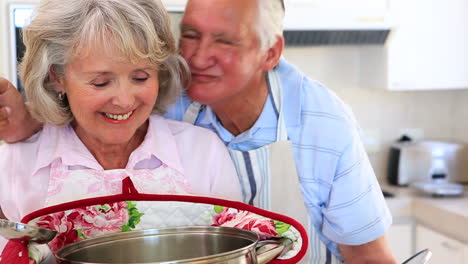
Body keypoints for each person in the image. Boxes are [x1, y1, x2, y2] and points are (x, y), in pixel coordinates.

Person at [0, 0, 397, 263]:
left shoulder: (320, 123)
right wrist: (33, 122)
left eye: (141, 77)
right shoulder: (17, 157)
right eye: (190, 35)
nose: (199, 57)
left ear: (270, 53)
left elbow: (368, 254)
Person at [0, 0, 242, 254]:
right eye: (101, 82)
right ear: (57, 77)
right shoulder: (14, 165)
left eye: (140, 77)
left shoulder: (204, 153)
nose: (124, 100)